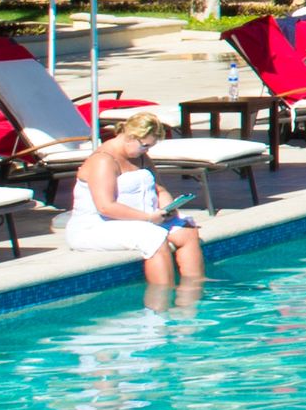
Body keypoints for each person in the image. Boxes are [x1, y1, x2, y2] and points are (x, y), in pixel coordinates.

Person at [68, 112, 205, 299]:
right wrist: (149, 218)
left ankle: (191, 299)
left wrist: (168, 208)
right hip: (96, 228)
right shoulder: (103, 160)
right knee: (153, 238)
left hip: (140, 221)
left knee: (187, 231)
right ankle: (160, 306)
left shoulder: (140, 156)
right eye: (145, 145)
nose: (146, 150)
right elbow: (105, 206)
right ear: (130, 137)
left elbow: (160, 189)